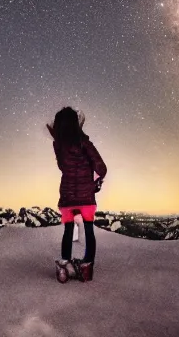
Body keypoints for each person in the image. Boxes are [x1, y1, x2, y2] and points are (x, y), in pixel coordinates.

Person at [47, 107, 107, 282]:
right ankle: (87, 267)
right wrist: (95, 182)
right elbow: (101, 168)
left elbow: (62, 167)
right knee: (88, 229)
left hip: (67, 196)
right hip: (86, 196)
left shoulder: (58, 144)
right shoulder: (84, 142)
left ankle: (65, 265)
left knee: (68, 230)